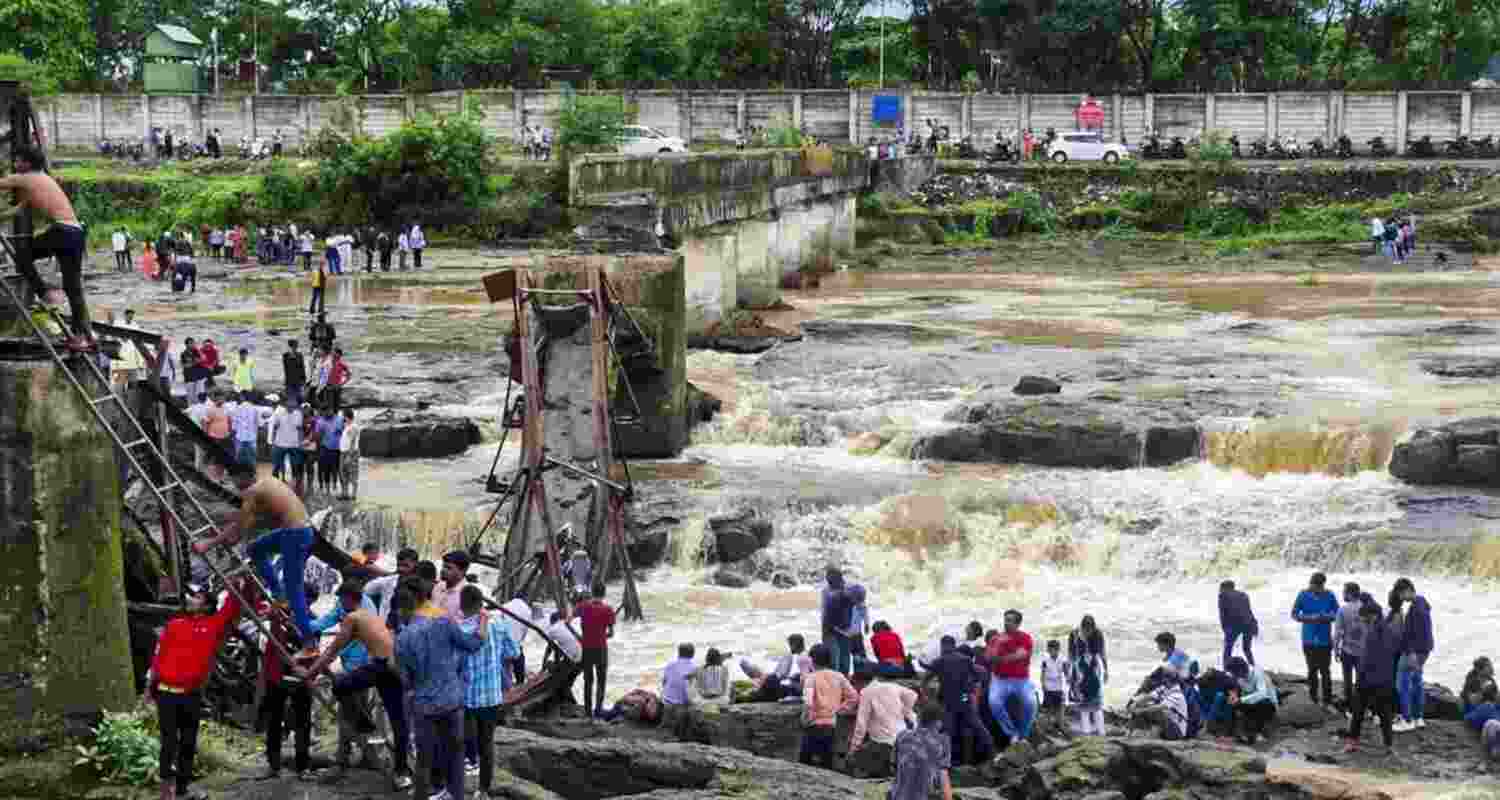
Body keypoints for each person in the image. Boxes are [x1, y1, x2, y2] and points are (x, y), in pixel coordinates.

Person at [192, 475, 315, 639]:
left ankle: (309, 641)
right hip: (300, 531)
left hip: (295, 534)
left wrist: (209, 544)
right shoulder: (268, 483)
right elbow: (244, 526)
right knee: (255, 550)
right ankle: (278, 594)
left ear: (238, 484)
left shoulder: (252, 493)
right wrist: (228, 537)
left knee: (294, 590)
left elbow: (238, 525)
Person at [394, 582, 485, 800]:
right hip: (452, 702)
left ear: (404, 609)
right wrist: (483, 619)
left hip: (424, 706)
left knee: (424, 761)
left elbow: (405, 681)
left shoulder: (402, 639)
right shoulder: (445, 622)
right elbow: (473, 645)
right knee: (454, 756)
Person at [2, 145, 94, 350]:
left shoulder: (26, 177)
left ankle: (46, 293)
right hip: (75, 232)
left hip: (62, 231)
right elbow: (18, 210)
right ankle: (81, 337)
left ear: (27, 162)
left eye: (18, 161)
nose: (15, 165)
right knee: (73, 288)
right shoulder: (42, 179)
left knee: (23, 256)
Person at [459, 585, 517, 800]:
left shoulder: (460, 629)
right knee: (487, 743)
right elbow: (514, 652)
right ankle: (483, 791)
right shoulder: (499, 624)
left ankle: (456, 784)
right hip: (492, 694)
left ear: (462, 606)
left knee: (461, 740)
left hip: (465, 695)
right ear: (481, 603)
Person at [257, 605, 316, 781]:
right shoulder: (277, 616)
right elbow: (261, 615)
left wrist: (307, 669)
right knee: (274, 722)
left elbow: (314, 647)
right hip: (277, 678)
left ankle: (303, 767)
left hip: (300, 678)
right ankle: (273, 766)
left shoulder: (308, 620)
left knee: (302, 723)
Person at [920, 637, 993, 763]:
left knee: (948, 731)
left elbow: (926, 679)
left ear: (943, 646)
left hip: (948, 701)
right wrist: (970, 687)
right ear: (953, 645)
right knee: (977, 726)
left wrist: (926, 696)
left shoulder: (939, 661)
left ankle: (949, 761)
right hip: (964, 698)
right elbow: (978, 676)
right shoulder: (966, 659)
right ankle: (991, 752)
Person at [1344, 600, 1398, 754]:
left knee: (1358, 713)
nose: (1362, 621)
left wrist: (1359, 678)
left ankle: (1352, 743)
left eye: (1364, 618)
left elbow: (1367, 658)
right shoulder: (1388, 631)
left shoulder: (1373, 632)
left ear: (1372, 616)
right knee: (1385, 715)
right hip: (1385, 680)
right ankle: (1388, 745)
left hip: (1369, 680)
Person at [847, 667, 917, 778]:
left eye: (855, 685)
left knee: (857, 758)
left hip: (882, 742)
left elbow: (861, 724)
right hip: (902, 736)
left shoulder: (866, 692)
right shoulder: (891, 686)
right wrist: (905, 711)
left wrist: (853, 749)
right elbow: (913, 695)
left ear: (859, 682)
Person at [800, 643, 858, 769]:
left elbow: (808, 703)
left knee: (805, 764)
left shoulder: (811, 678)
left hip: (813, 726)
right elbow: (854, 697)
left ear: (812, 660)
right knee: (827, 763)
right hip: (831, 725)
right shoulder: (838, 676)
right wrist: (839, 710)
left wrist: (804, 719)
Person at [985, 609, 1038, 746]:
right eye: (1005, 620)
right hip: (1000, 679)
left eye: (1009, 620)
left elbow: (1020, 655)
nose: (1006, 623)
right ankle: (1012, 733)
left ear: (1018, 623)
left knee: (1031, 703)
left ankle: (1023, 734)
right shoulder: (996, 639)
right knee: (994, 702)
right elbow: (989, 657)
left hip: (1021, 680)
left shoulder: (1025, 638)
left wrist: (1001, 659)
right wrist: (998, 645)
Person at [1390, 577, 1434, 732]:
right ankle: (1418, 717)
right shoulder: (1421, 603)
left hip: (1413, 651)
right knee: (1416, 682)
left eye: (1401, 594)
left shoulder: (1417, 608)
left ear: (1408, 590)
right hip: (1423, 650)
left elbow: (1416, 633)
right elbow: (1425, 633)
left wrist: (1412, 652)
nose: (1400, 598)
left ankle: (1407, 719)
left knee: (1402, 684)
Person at [1291, 572, 1338, 707]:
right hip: (1308, 639)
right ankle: (1313, 698)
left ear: (1322, 585)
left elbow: (1338, 613)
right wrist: (1308, 618)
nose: (1314, 589)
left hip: (1325, 639)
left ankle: (1327, 699)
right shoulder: (1303, 594)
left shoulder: (1330, 595)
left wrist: (1326, 616)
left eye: (1317, 587)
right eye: (1312, 586)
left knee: (1325, 671)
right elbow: (1294, 614)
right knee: (1311, 670)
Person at [890, 704, 953, 800]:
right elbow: (943, 777)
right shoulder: (942, 741)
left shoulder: (902, 736)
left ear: (918, 719)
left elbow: (893, 768)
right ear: (938, 723)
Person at [576, 582, 616, 718]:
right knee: (601, 680)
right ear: (604, 594)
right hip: (601, 648)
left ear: (592, 592)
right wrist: (602, 635)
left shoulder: (583, 607)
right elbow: (611, 633)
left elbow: (567, 620)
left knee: (588, 680)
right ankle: (598, 710)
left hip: (586, 648)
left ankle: (587, 712)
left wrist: (580, 636)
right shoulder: (608, 610)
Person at [1333, 581, 1369, 716]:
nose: (1343, 595)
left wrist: (1335, 649)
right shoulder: (1366, 608)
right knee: (1362, 681)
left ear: (1349, 593)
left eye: (1344, 592)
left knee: (1347, 681)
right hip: (1363, 652)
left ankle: (1349, 708)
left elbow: (1338, 633)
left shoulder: (1343, 610)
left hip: (1348, 651)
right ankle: (1363, 708)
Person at [1226, 656, 1278, 745]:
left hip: (1268, 705)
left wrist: (1241, 700)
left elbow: (1262, 694)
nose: (1233, 676)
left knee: (1262, 703)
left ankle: (1259, 732)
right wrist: (1233, 695)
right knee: (1231, 702)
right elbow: (1237, 689)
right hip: (1251, 704)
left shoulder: (1257, 673)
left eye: (1234, 673)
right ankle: (1235, 731)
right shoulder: (1240, 677)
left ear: (1240, 670)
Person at [501, 590, 541, 685]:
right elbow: (525, 630)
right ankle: (520, 684)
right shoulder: (527, 610)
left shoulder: (505, 606)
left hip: (503, 643)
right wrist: (519, 640)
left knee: (505, 669)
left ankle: (507, 686)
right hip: (516, 644)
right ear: (525, 598)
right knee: (519, 665)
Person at [820, 568, 853, 675]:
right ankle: (837, 679)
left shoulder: (847, 591)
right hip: (831, 628)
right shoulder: (826, 591)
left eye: (831, 579)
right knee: (834, 657)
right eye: (828, 579)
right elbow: (824, 610)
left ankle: (843, 680)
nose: (829, 581)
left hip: (843, 627)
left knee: (843, 657)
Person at [1218, 580, 1257, 668]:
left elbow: (1223, 614)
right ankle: (1253, 667)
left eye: (1220, 588)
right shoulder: (1244, 595)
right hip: (1249, 624)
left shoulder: (1223, 596)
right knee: (1247, 649)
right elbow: (1249, 611)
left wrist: (1225, 629)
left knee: (1228, 649)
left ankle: (1225, 669)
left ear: (1225, 588)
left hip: (1234, 625)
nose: (1219, 590)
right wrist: (1254, 626)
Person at [1039, 639, 1070, 728]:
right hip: (1048, 686)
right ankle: (1048, 724)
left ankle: (1060, 724)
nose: (1049, 651)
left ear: (1057, 649)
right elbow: (1043, 673)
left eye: (1051, 649)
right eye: (1048, 649)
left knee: (1060, 706)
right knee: (1048, 707)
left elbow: (1066, 673)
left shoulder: (1063, 659)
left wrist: (1067, 684)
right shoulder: (1045, 659)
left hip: (1059, 686)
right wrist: (1043, 684)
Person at [316, 407, 345, 496]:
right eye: (325, 412)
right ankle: (327, 490)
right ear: (323, 412)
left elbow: (346, 431)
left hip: (338, 449)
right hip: (325, 448)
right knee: (326, 469)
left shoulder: (340, 419)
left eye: (329, 411)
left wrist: (341, 432)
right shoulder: (320, 421)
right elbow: (318, 436)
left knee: (338, 469)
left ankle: (338, 488)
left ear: (332, 411)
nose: (327, 413)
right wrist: (320, 447)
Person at [230, 389, 263, 467]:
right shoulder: (255, 409)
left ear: (242, 397)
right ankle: (252, 473)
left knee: (238, 456)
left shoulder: (237, 408)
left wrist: (233, 435)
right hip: (252, 436)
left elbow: (234, 424)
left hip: (239, 436)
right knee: (252, 457)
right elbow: (259, 423)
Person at [436, 550, 471, 618]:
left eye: (448, 568)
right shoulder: (439, 586)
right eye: (443, 566)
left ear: (462, 571)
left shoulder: (467, 596)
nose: (443, 570)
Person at [338, 408, 362, 501]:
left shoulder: (353, 426)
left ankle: (353, 494)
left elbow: (352, 441)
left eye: (343, 415)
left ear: (346, 416)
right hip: (343, 452)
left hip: (350, 453)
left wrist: (349, 456)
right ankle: (345, 493)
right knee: (344, 473)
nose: (342, 417)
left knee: (353, 473)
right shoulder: (347, 426)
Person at [282, 339, 307, 409]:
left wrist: (304, 380)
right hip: (290, 381)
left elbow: (302, 368)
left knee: (300, 398)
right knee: (291, 398)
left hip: (298, 380)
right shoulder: (286, 355)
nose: (295, 348)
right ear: (290, 346)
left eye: (296, 346)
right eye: (294, 346)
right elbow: (286, 368)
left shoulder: (299, 355)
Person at [326, 348, 352, 412]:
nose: (332, 354)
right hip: (329, 386)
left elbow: (349, 375)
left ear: (339, 354)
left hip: (337, 387)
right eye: (332, 353)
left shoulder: (342, 364)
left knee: (336, 405)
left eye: (334, 353)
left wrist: (341, 384)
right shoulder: (328, 362)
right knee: (329, 405)